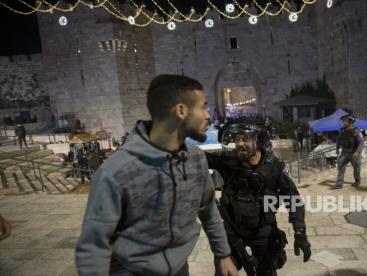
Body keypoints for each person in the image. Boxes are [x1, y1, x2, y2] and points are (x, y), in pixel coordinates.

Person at [75, 75, 237, 276]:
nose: (208, 116)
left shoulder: (196, 159)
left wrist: (223, 254)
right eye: (203, 107)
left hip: (179, 270)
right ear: (181, 111)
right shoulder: (116, 171)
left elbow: (209, 210)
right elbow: (93, 246)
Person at [207, 117, 311, 276]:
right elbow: (198, 157)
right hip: (232, 231)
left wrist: (300, 232)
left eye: (245, 139)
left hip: (262, 233)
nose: (240, 143)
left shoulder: (273, 167)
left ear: (260, 140)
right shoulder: (228, 161)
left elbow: (294, 200)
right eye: (236, 139)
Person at [334, 114, 364, 189]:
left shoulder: (356, 131)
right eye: (343, 120)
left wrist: (357, 152)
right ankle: (339, 183)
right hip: (344, 152)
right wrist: (337, 148)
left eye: (345, 120)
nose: (343, 122)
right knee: (341, 166)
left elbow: (361, 142)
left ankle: (357, 181)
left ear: (351, 122)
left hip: (354, 152)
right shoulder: (342, 130)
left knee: (356, 168)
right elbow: (338, 139)